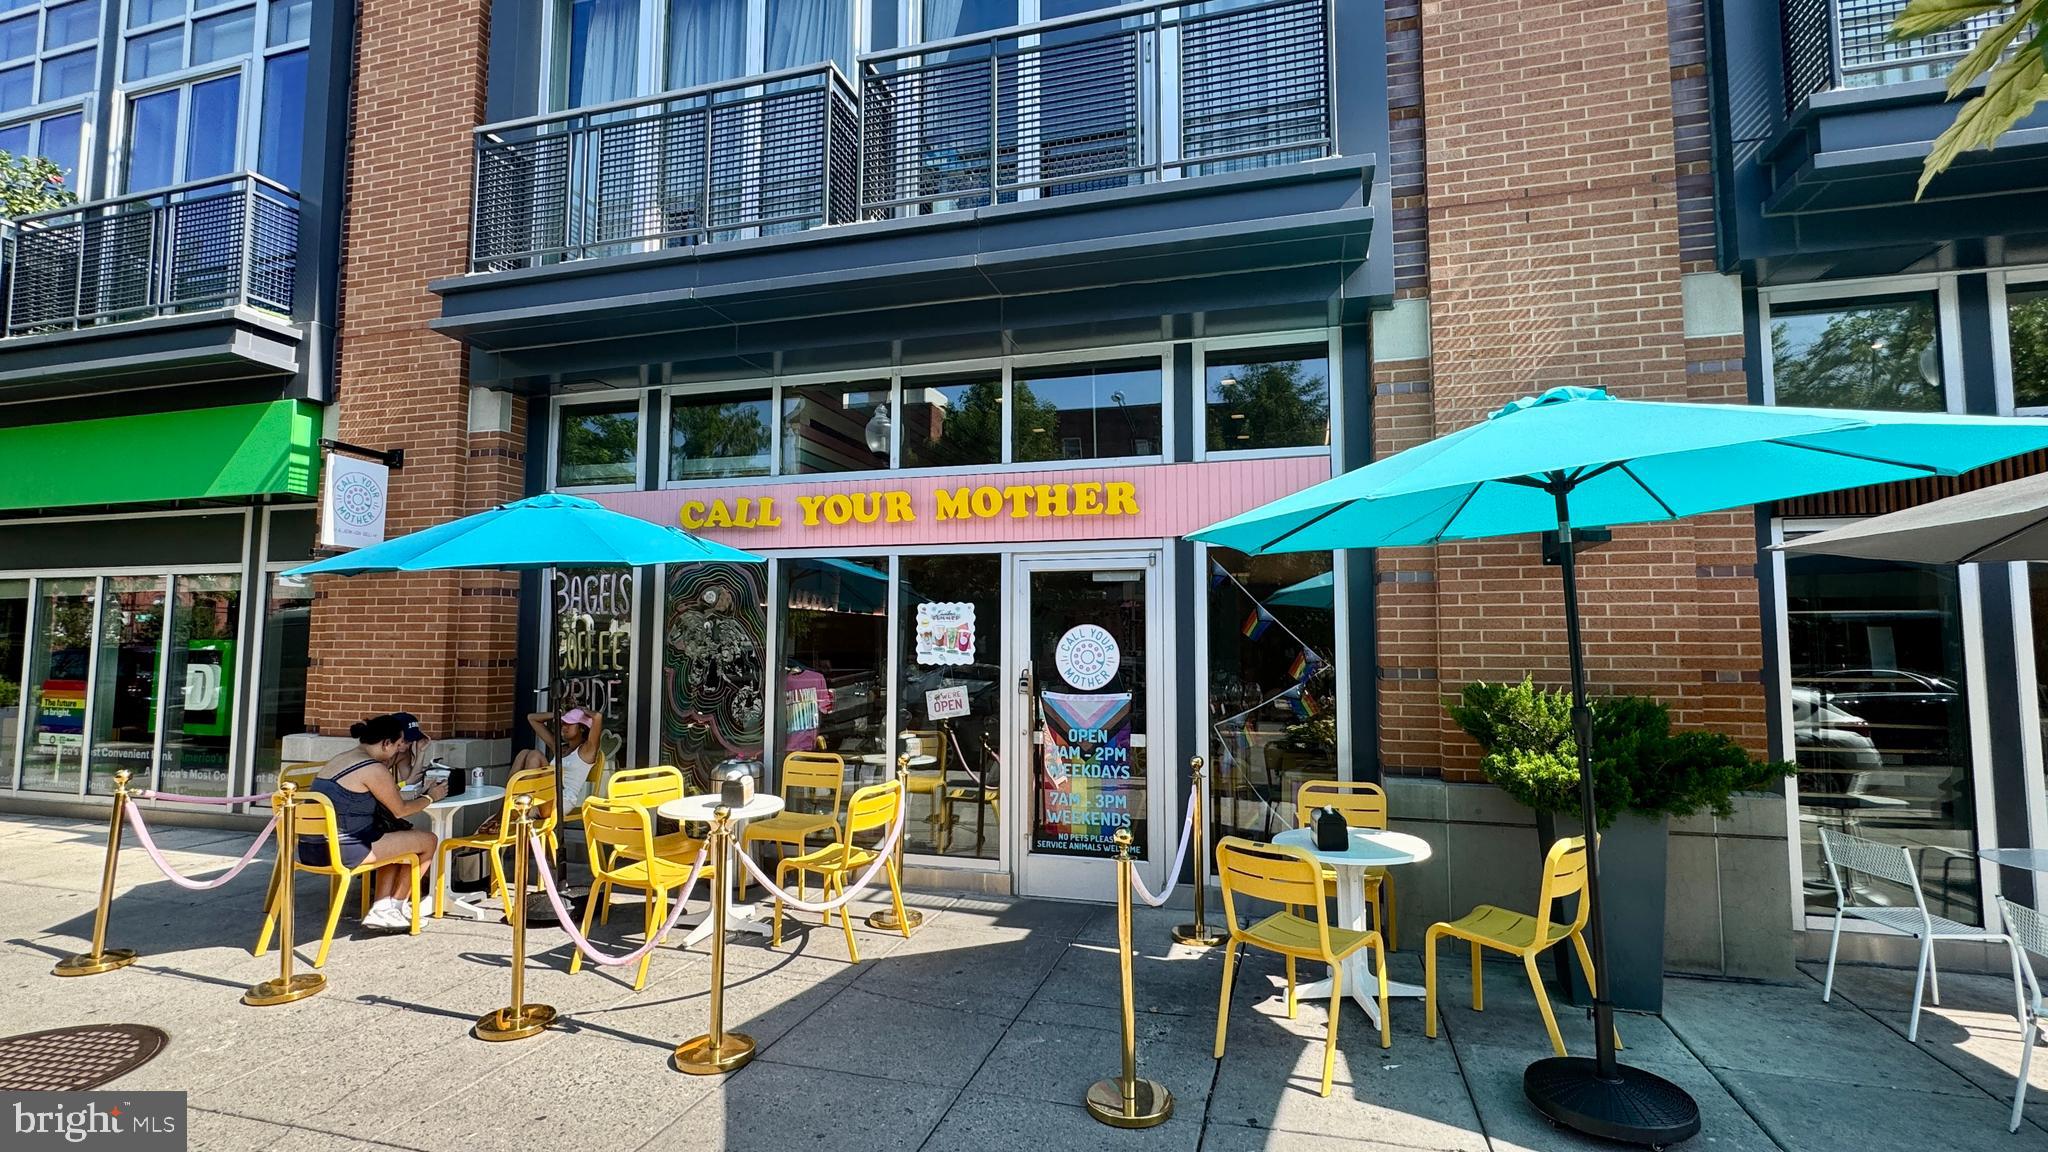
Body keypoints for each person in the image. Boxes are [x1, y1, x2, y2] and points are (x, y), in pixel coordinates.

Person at [302, 713, 445, 930]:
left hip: (312, 849)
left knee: (392, 837)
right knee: (428, 841)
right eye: (398, 744)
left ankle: (382, 907)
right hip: (343, 850)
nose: (400, 749)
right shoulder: (373, 768)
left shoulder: (342, 758)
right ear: (386, 743)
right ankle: (396, 905)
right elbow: (400, 810)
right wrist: (431, 797)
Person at [510, 707, 605, 816]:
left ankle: (514, 811)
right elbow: (531, 718)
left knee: (536, 756)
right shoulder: (560, 749)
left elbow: (598, 717)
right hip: (544, 796)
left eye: (569, 724)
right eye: (563, 723)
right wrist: (558, 714)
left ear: (582, 728)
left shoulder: (587, 751)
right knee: (524, 753)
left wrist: (582, 710)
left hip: (561, 802)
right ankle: (508, 808)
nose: (564, 727)